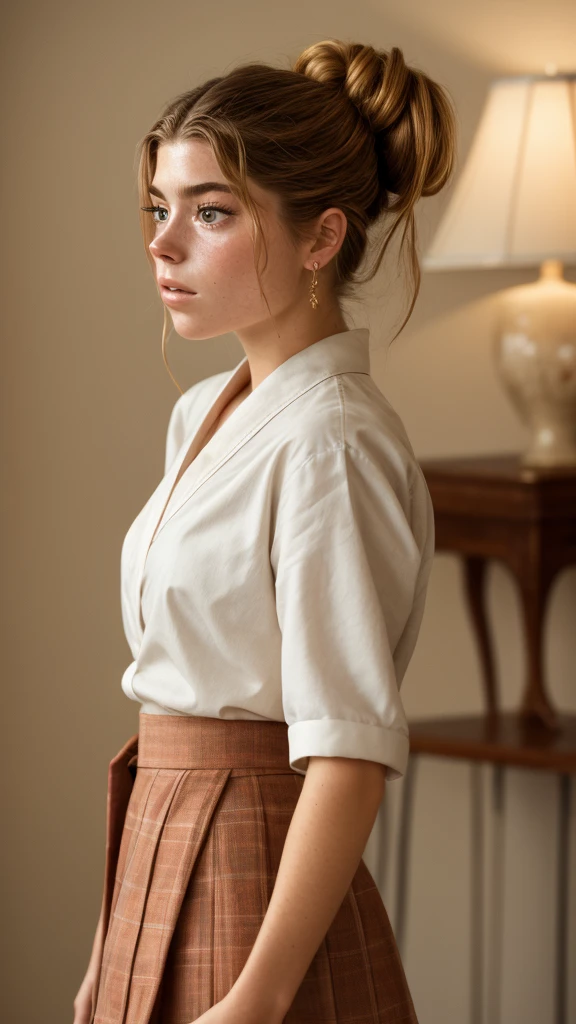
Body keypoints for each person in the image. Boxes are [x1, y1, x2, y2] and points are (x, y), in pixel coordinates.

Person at [74, 38, 456, 1024]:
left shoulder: (331, 439)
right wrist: (111, 948)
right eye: (159, 209)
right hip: (162, 850)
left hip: (251, 877)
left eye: (210, 212)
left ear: (322, 236)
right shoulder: (206, 410)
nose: (163, 244)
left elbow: (349, 751)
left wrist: (258, 996)